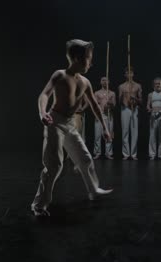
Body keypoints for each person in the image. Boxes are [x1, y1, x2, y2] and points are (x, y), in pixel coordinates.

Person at [31, 39, 113, 216]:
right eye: (88, 59)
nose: (91, 63)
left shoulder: (86, 82)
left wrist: (105, 128)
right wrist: (42, 112)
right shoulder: (60, 75)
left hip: (70, 123)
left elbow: (95, 106)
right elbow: (44, 94)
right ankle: (39, 205)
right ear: (76, 58)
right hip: (55, 122)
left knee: (84, 158)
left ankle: (93, 190)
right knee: (54, 165)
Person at [118, 67, 142, 160]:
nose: (129, 74)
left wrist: (135, 98)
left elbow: (141, 101)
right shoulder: (121, 86)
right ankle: (126, 154)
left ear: (133, 74)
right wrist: (122, 97)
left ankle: (134, 154)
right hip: (125, 109)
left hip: (134, 108)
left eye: (130, 72)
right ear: (125, 75)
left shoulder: (138, 86)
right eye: (127, 73)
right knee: (125, 131)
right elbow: (119, 101)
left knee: (134, 131)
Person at [147, 77, 161, 160]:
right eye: (156, 83)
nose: (157, 85)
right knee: (152, 136)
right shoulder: (150, 94)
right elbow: (148, 106)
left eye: (159, 83)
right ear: (153, 84)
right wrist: (149, 109)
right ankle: (152, 155)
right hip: (153, 115)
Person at [93, 77, 116, 159]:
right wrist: (96, 115)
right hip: (100, 116)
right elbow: (94, 106)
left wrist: (110, 103)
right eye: (103, 80)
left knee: (109, 135)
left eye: (106, 80)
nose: (105, 82)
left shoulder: (112, 93)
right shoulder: (97, 93)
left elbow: (114, 105)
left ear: (109, 82)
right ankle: (97, 152)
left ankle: (108, 153)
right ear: (100, 82)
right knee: (97, 135)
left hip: (109, 116)